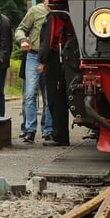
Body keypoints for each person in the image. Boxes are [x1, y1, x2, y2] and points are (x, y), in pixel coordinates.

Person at [14, 0, 51, 144]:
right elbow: (20, 29)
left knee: (50, 97)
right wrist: (23, 40)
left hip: (50, 58)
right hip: (33, 56)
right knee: (30, 94)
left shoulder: (60, 11)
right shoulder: (35, 11)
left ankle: (48, 130)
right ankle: (30, 129)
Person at [37, 12, 70, 146]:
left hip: (55, 60)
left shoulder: (54, 17)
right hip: (65, 58)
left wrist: (42, 59)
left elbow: (49, 40)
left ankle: (60, 136)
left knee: (55, 99)